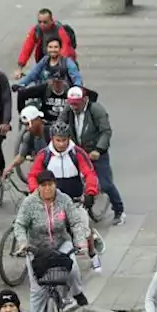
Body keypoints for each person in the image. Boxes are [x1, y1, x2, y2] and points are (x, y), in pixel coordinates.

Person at [13, 170, 93, 312]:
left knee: (73, 269)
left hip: (61, 243)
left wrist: (81, 243)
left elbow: (75, 222)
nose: (47, 188)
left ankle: (77, 293)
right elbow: (20, 225)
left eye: (50, 184)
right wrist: (23, 243)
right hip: (37, 248)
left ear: (55, 185)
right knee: (37, 290)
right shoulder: (29, 203)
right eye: (43, 185)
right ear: (38, 187)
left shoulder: (64, 200)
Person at [62, 86, 126, 225]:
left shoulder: (96, 110)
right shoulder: (68, 110)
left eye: (76, 103)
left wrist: (98, 149)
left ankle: (119, 211)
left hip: (95, 151)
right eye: (71, 103)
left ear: (84, 100)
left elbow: (106, 131)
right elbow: (60, 126)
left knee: (106, 183)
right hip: (77, 151)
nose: (73, 107)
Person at [26, 120, 100, 203]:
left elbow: (90, 173)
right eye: (58, 140)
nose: (61, 144)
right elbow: (33, 176)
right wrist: (36, 192)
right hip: (53, 201)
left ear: (69, 138)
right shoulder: (44, 155)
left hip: (75, 200)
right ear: (52, 139)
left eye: (64, 140)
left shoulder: (77, 153)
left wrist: (90, 192)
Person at [15, 8, 78, 77]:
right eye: (39, 22)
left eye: (45, 22)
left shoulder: (59, 30)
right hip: (46, 61)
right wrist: (20, 68)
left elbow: (66, 47)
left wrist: (60, 64)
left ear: (51, 21)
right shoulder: (36, 30)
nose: (42, 25)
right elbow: (27, 48)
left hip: (64, 62)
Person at [2, 105, 49, 183]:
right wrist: (9, 167)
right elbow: (21, 156)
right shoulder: (29, 136)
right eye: (25, 125)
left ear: (37, 120)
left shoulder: (50, 133)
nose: (27, 128)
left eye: (28, 124)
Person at [17, 36, 83, 87]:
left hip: (63, 96)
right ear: (47, 48)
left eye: (56, 47)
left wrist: (77, 87)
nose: (53, 50)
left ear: (60, 48)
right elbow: (32, 74)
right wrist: (20, 85)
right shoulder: (44, 61)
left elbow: (76, 78)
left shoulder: (68, 62)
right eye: (50, 47)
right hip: (44, 95)